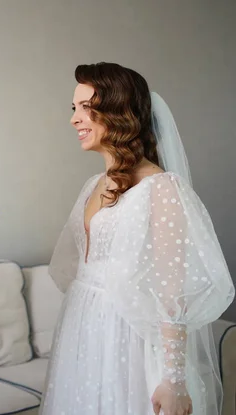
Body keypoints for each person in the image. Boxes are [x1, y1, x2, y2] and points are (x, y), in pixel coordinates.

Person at [41, 62, 235, 415]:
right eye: (74, 108)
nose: (74, 119)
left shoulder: (162, 189)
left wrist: (174, 380)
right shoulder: (92, 186)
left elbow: (172, 292)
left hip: (126, 335)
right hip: (82, 327)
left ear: (119, 113)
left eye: (87, 107)